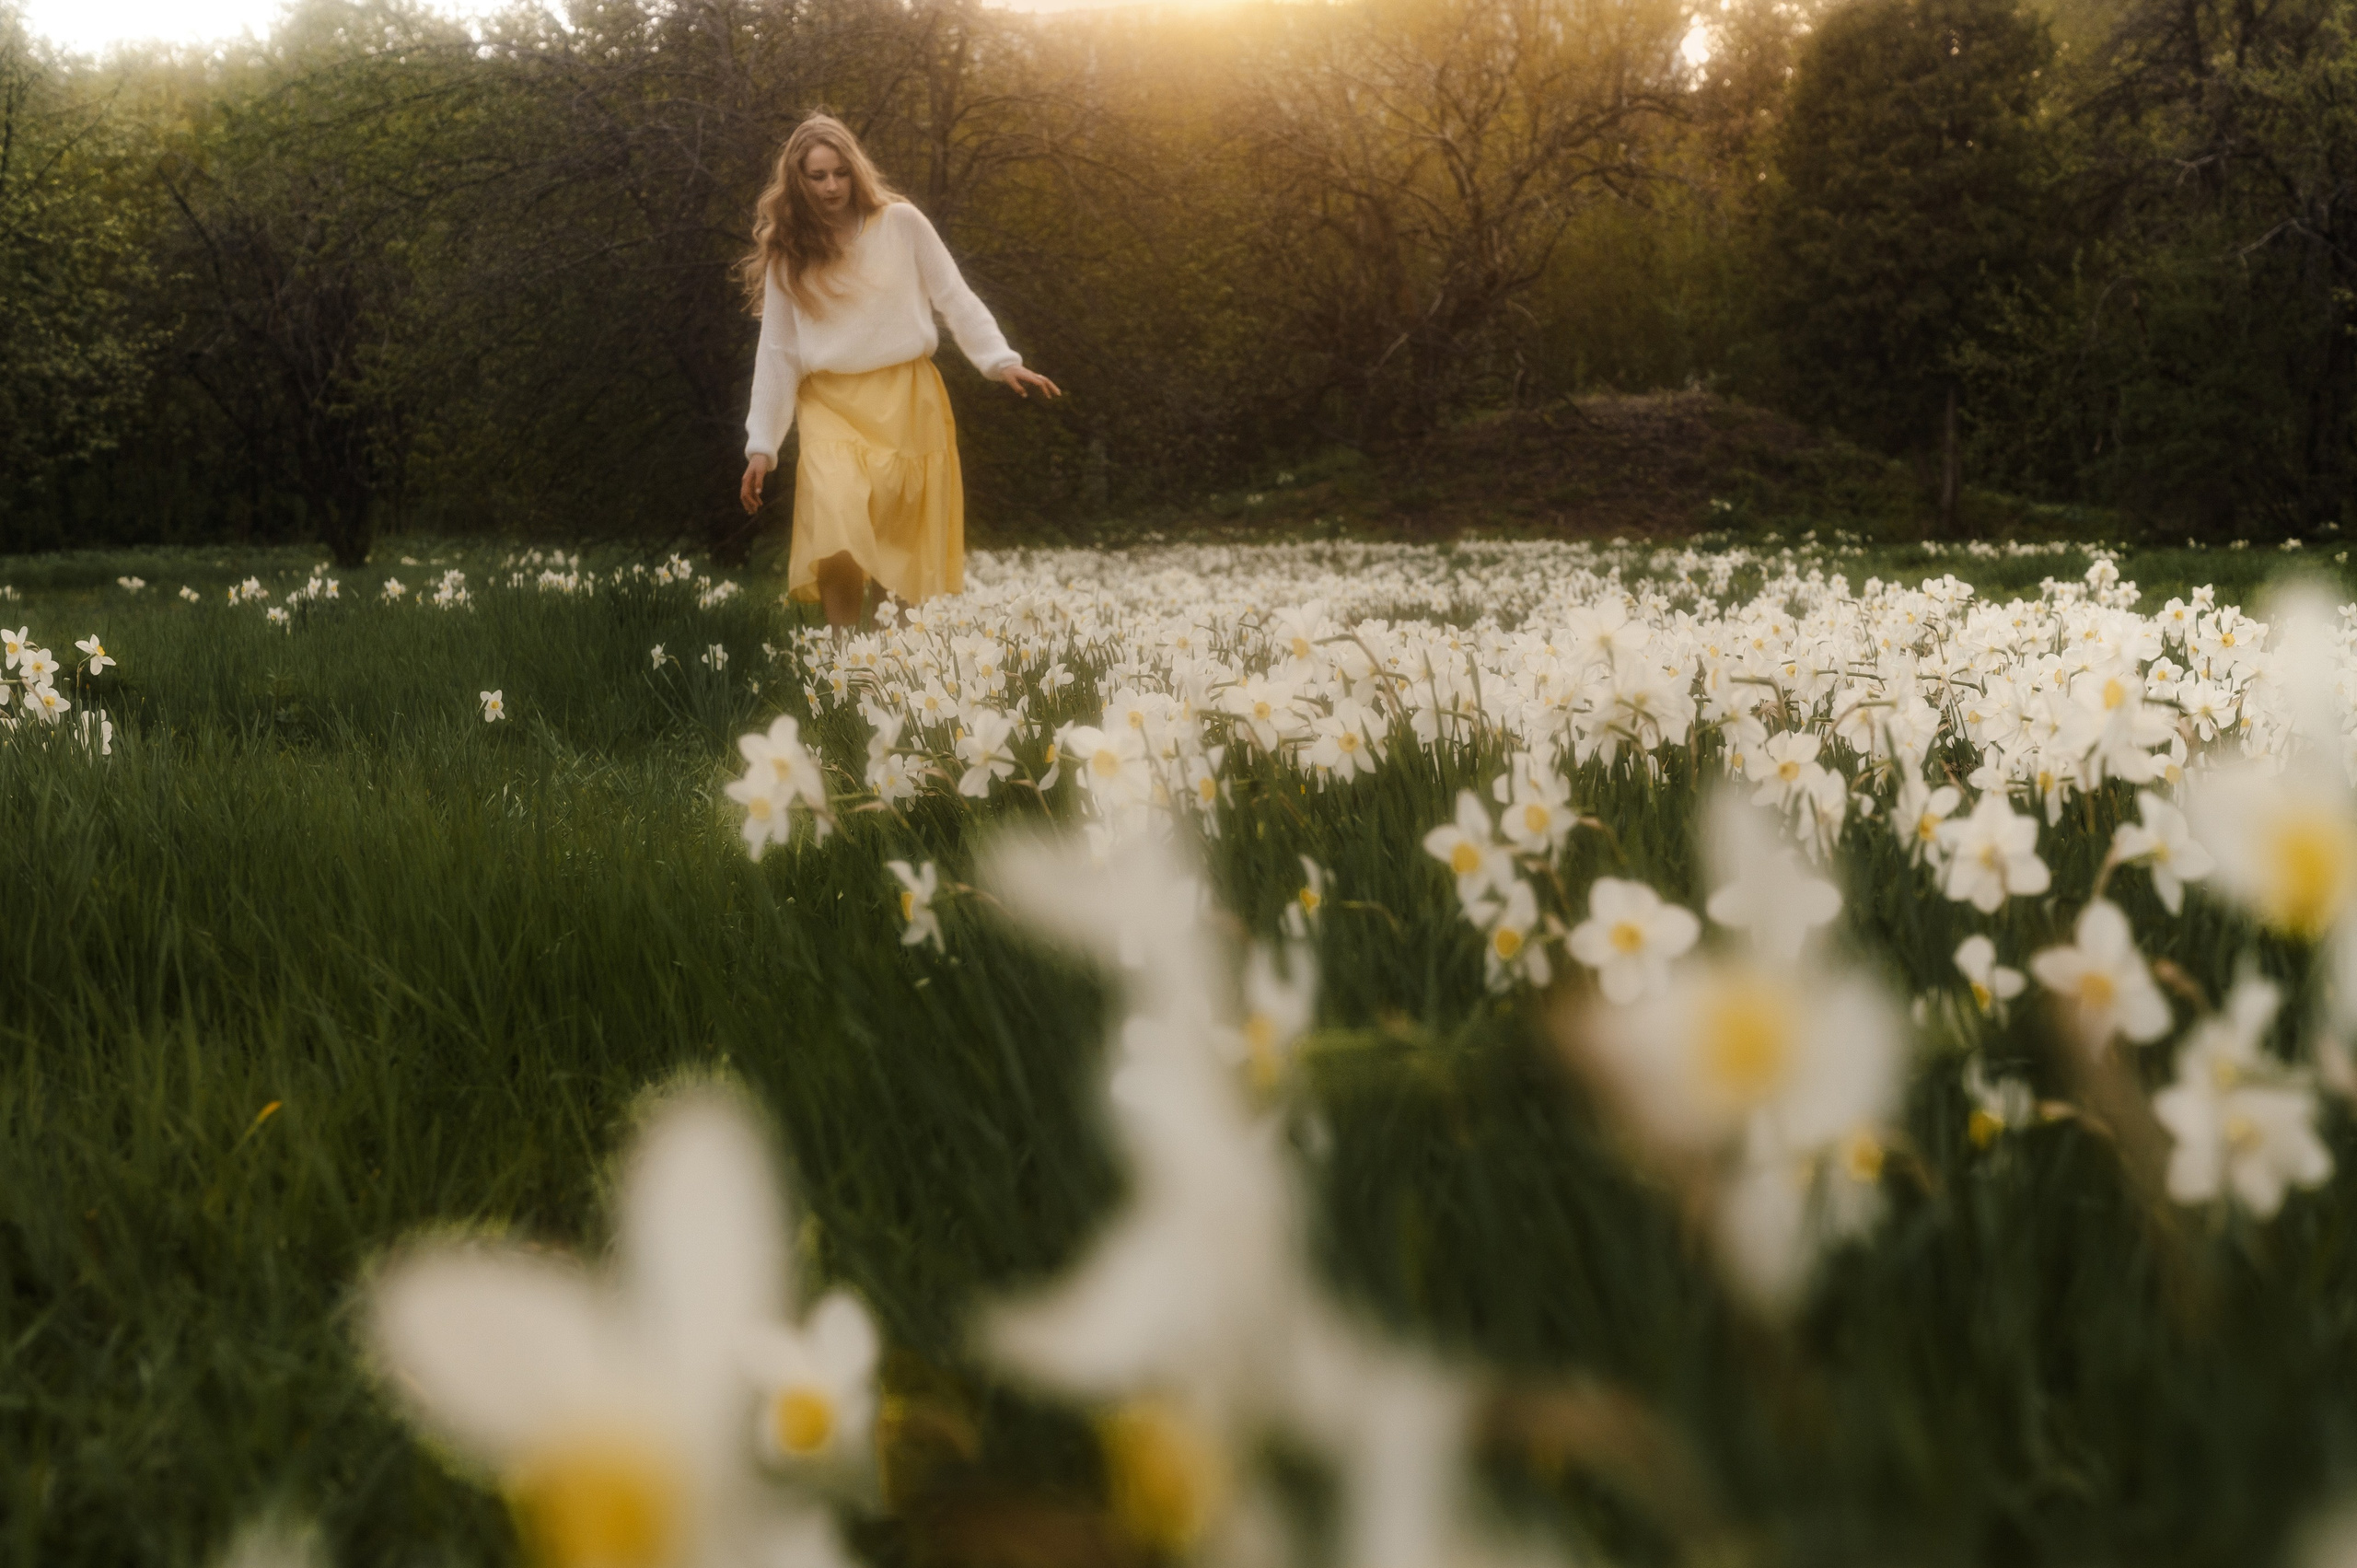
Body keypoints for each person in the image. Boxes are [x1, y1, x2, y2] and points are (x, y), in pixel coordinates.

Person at [737, 114, 1060, 631]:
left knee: (901, 540)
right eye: (817, 176)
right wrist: (762, 444)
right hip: (829, 404)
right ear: (798, 181)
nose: (831, 186)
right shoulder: (788, 253)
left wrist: (1001, 360)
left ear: (855, 170)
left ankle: (898, 663)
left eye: (840, 173)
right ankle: (845, 659)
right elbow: (777, 351)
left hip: (907, 397)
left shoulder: (902, 224)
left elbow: (954, 296)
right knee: (837, 526)